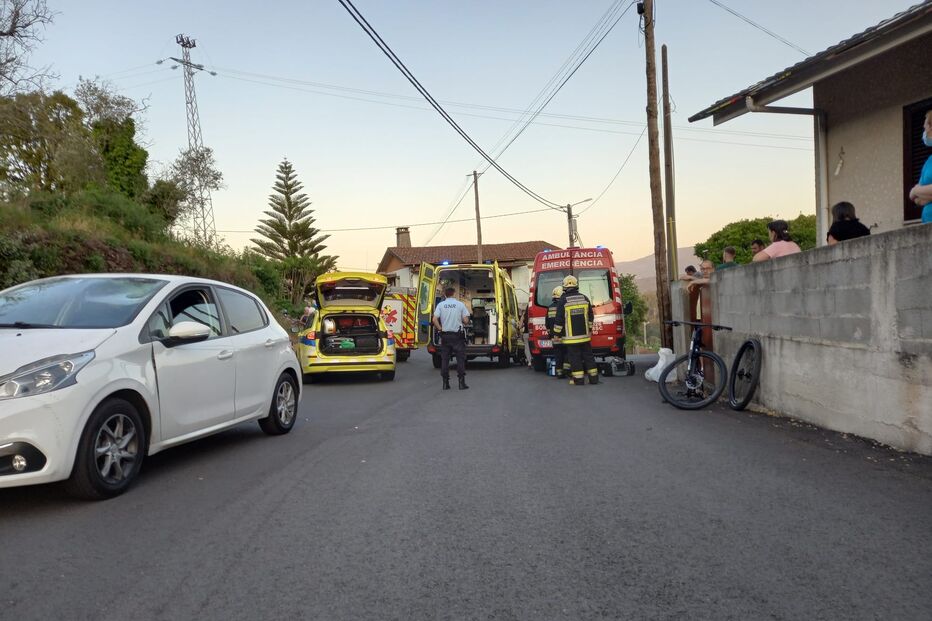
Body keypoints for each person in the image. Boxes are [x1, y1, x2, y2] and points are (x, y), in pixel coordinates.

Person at [553, 275, 599, 386]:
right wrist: (589, 328)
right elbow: (590, 315)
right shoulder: (584, 298)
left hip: (571, 338)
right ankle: (594, 379)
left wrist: (556, 334)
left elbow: (559, 319)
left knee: (575, 358)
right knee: (589, 357)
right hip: (584, 336)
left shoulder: (563, 300)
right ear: (576, 285)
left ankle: (579, 380)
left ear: (564, 287)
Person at [432, 285, 470, 390]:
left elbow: (434, 319)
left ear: (445, 294)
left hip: (445, 335)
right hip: (457, 336)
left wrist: (440, 329)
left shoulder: (441, 305)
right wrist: (462, 320)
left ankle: (445, 383)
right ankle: (461, 383)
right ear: (454, 294)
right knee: (460, 359)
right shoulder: (460, 304)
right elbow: (466, 320)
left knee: (445, 359)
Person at [908, 109, 932, 223]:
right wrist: (916, 191)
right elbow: (915, 198)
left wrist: (916, 190)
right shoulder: (929, 161)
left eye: (925, 128)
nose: (925, 133)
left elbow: (916, 192)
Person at [544, 286, 567, 379]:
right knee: (566, 354)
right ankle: (566, 371)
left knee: (558, 356)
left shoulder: (549, 308)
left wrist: (551, 335)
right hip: (564, 336)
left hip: (554, 337)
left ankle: (559, 373)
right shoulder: (564, 306)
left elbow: (547, 324)